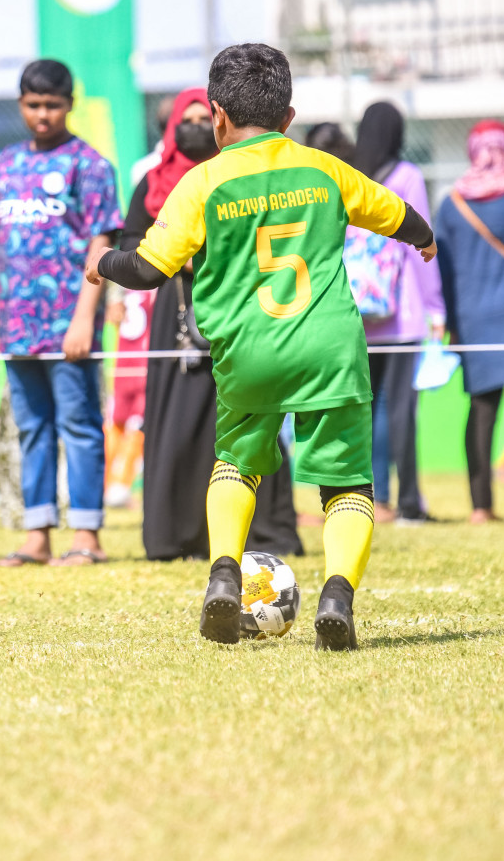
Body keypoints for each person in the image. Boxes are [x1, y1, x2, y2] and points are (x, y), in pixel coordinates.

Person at [89, 42, 436, 650]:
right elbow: (395, 214)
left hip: (249, 350)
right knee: (347, 485)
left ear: (217, 116)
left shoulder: (204, 181)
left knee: (237, 463)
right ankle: (337, 596)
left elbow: (147, 269)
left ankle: (225, 573)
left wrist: (103, 262)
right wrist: (424, 239)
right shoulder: (324, 168)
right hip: (329, 347)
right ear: (289, 117)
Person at [120, 87, 301, 561]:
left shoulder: (240, 175)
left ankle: (262, 533)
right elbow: (132, 238)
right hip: (178, 316)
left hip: (241, 311)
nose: (198, 125)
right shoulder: (154, 181)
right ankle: (176, 535)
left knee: (247, 417)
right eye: (189, 117)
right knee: (179, 422)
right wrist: (172, 258)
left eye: (206, 116)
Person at [0, 60, 121, 566]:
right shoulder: (7, 164)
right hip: (16, 322)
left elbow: (102, 243)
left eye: (52, 105)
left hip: (69, 323)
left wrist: (85, 317)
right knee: (31, 426)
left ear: (69, 105)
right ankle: (37, 533)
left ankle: (87, 535)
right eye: (33, 105)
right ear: (20, 104)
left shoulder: (91, 164)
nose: (42, 114)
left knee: (78, 424)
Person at [348, 102, 444, 524]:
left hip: (357, 312)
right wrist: (436, 307)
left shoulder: (348, 174)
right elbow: (423, 248)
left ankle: (373, 498)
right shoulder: (408, 176)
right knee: (400, 409)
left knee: (367, 409)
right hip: (401, 315)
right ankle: (405, 502)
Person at [436, 119, 504, 524]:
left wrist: (449, 321)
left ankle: (480, 507)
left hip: (472, 317)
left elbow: (442, 268)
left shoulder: (453, 203)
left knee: (481, 408)